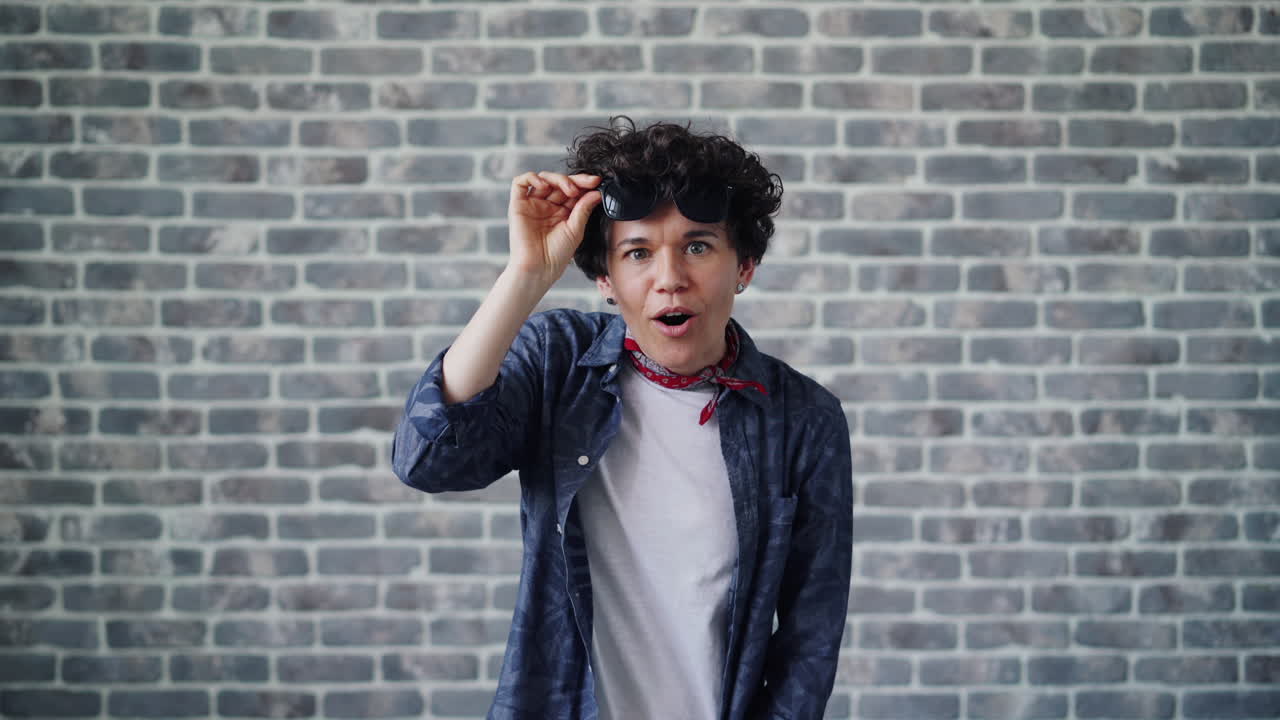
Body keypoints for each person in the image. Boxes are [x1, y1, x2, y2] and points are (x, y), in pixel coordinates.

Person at [392, 117, 852, 720]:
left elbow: (810, 640)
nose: (670, 279)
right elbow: (428, 459)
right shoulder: (560, 362)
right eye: (638, 253)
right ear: (606, 279)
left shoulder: (804, 419)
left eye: (698, 246)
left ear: (744, 265)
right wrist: (525, 275)